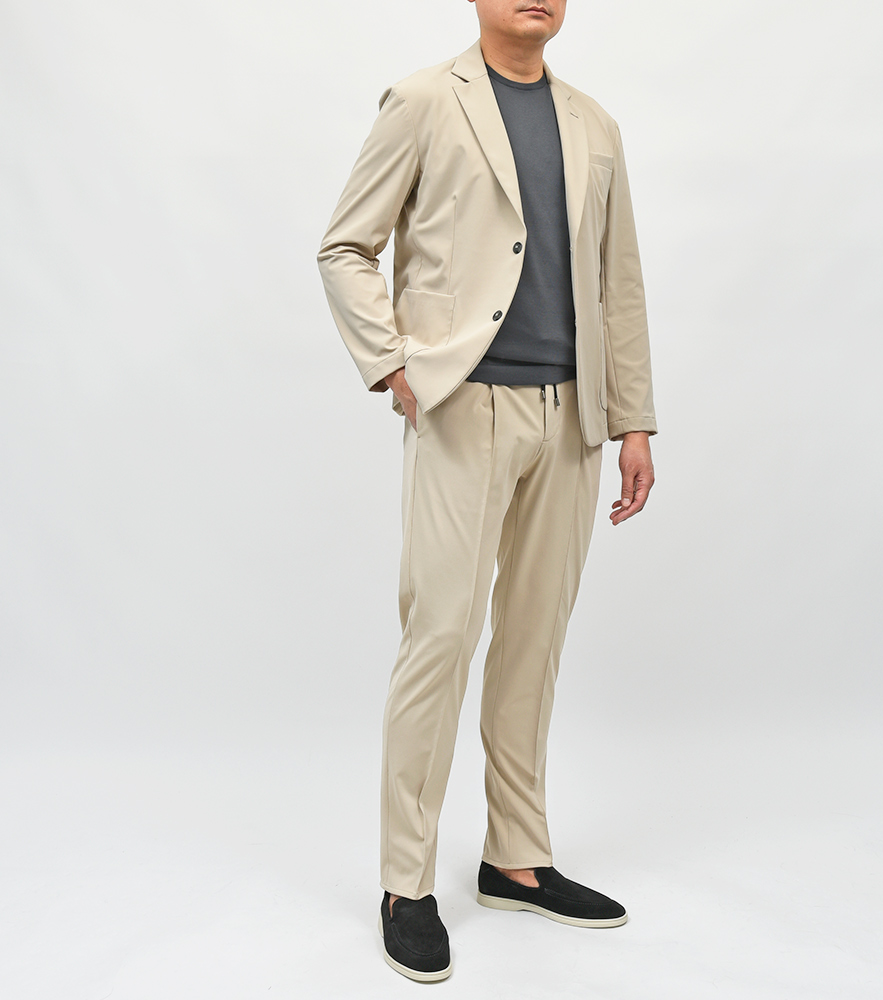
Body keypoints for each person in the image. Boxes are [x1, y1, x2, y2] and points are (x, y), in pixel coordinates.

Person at [317, 0, 656, 982]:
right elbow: (345, 246)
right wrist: (393, 365)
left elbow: (619, 282)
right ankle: (404, 882)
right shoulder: (427, 100)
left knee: (533, 643)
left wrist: (633, 419)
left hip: (572, 417)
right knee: (441, 637)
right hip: (463, 409)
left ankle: (516, 857)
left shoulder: (595, 124)